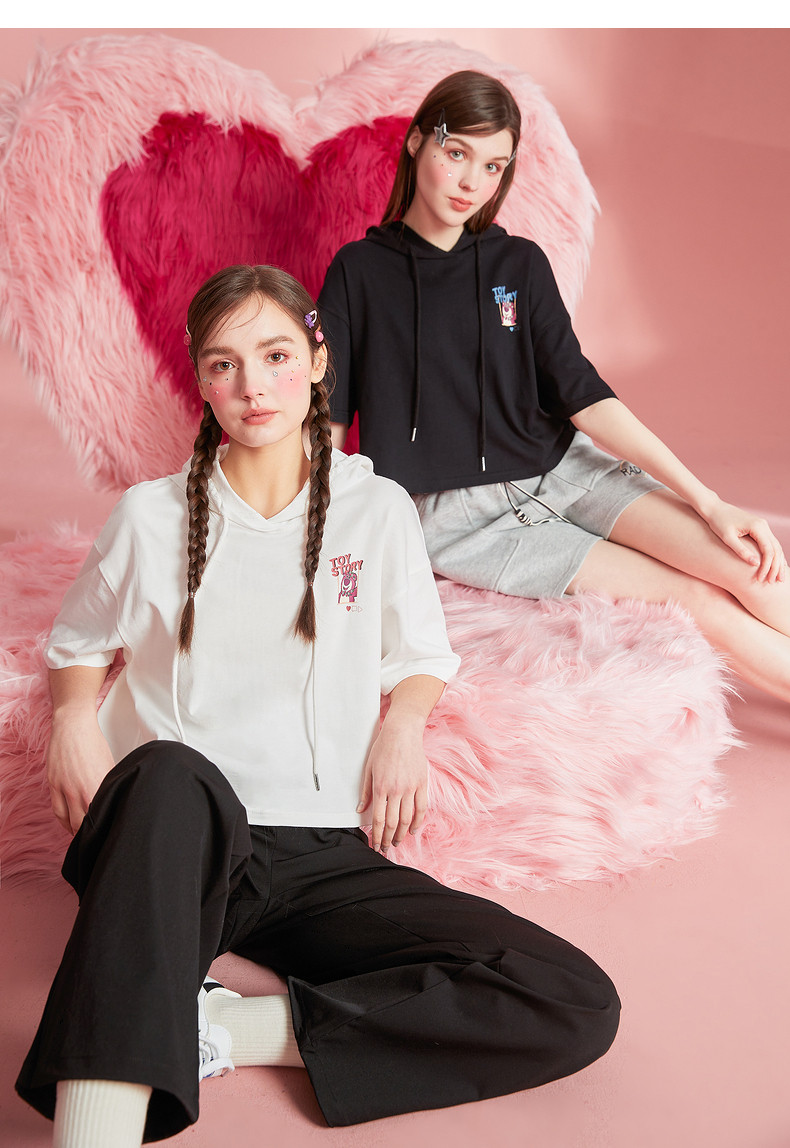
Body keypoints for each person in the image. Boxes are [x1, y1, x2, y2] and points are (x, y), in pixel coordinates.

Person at [16, 265, 619, 1146]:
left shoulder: (376, 511)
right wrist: (73, 720)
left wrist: (404, 724)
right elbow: (75, 646)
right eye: (223, 364)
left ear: (317, 358)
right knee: (172, 770)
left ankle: (224, 1026)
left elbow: (420, 654)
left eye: (275, 356)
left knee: (571, 995)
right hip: (174, 832)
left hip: (318, 851)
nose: (252, 386)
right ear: (201, 381)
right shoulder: (148, 517)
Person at [318, 70, 790, 704]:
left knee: (746, 565)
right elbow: (329, 421)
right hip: (459, 520)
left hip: (565, 467)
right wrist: (325, 530)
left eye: (493, 166)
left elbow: (583, 393)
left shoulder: (519, 264)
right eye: (456, 153)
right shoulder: (357, 272)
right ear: (416, 141)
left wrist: (709, 502)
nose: (471, 182)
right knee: (694, 598)